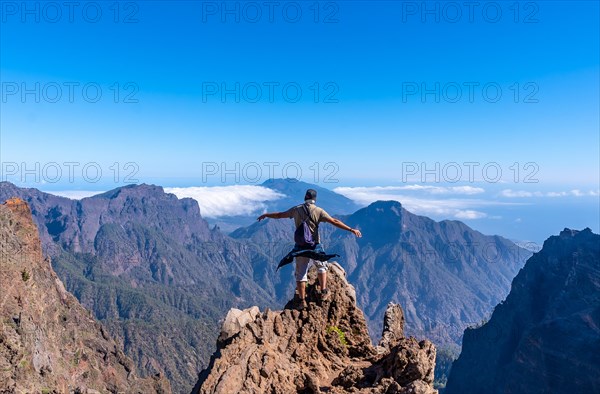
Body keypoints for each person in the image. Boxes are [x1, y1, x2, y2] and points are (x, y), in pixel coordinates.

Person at [257, 188, 362, 309]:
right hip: (314, 245)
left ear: (305, 197)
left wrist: (266, 214)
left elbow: (280, 215)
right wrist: (351, 229)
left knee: (301, 274)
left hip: (300, 247)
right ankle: (323, 291)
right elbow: (334, 221)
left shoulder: (296, 209)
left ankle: (302, 301)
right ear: (315, 199)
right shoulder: (318, 211)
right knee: (322, 267)